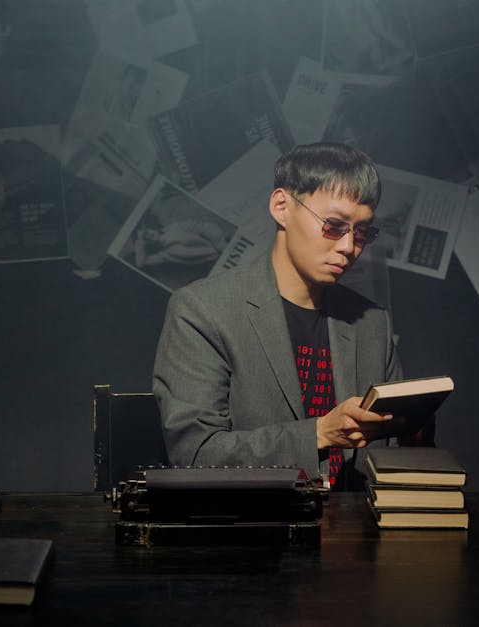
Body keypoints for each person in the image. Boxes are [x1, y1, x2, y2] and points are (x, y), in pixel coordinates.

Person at [152, 142, 429, 491]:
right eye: (333, 225)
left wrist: (416, 428)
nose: (348, 247)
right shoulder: (202, 311)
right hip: (253, 535)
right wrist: (319, 434)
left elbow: (390, 457)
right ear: (281, 207)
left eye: (362, 232)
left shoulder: (372, 323)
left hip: (355, 534)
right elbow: (194, 455)